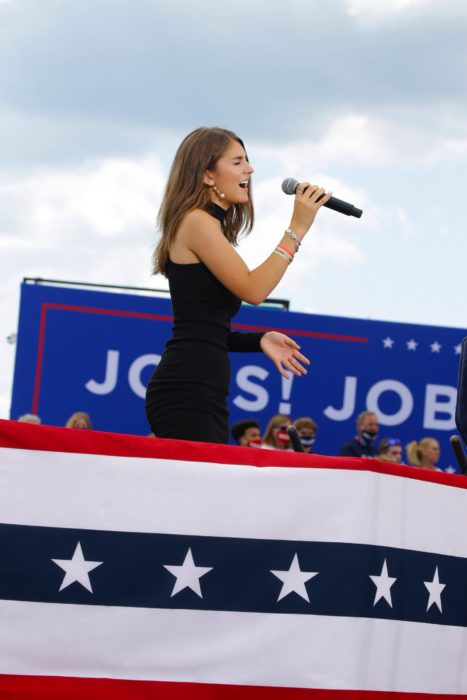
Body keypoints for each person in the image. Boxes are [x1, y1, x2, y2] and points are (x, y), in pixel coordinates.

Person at [145, 127, 331, 444]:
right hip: (187, 389)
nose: (250, 169)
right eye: (237, 162)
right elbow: (253, 290)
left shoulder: (206, 224)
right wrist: (296, 229)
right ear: (208, 175)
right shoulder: (196, 221)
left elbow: (207, 329)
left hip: (202, 389)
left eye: (247, 160)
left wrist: (259, 339)